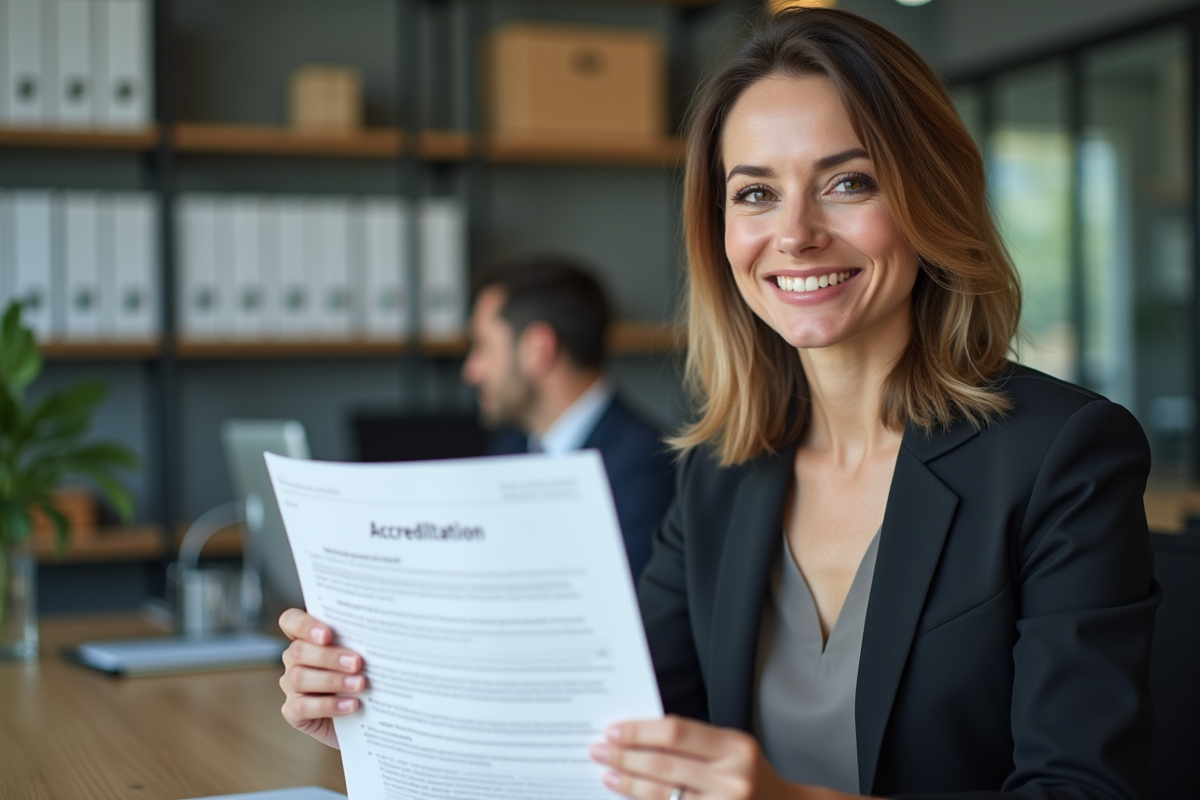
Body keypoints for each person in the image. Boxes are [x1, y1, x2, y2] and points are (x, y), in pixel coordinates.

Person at [276, 8, 1159, 800]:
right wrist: (379, 709)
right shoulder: (719, 474)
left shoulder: (1063, 453)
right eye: (755, 193)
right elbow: (605, 735)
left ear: (931, 194)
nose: (795, 233)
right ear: (720, 230)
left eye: (849, 182)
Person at [462, 255, 676, 580]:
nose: (471, 372)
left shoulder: (648, 468)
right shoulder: (508, 448)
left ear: (538, 349)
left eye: (483, 347)